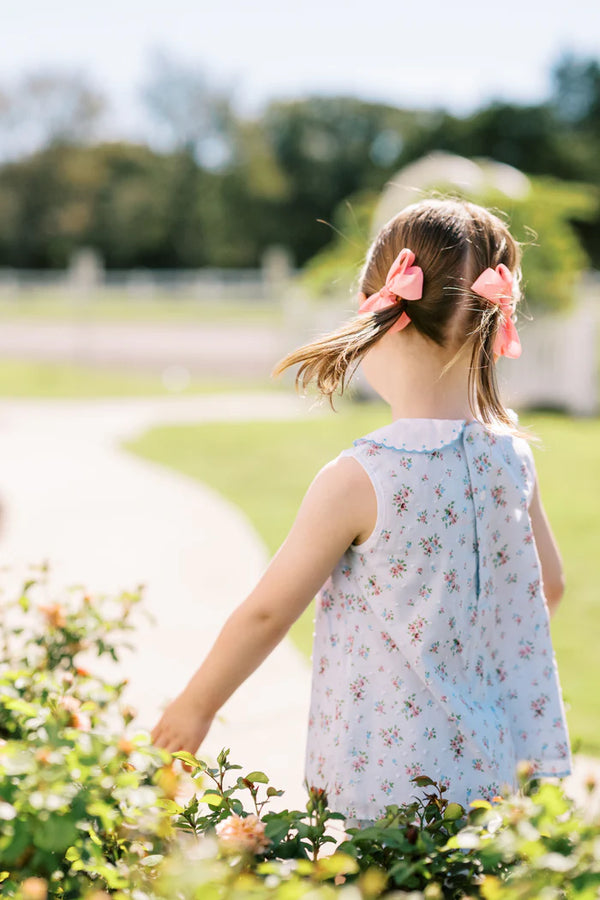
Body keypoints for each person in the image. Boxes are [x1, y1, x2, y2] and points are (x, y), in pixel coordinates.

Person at [150, 197, 572, 824]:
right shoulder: (511, 458)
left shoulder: (362, 476)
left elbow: (268, 612)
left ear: (383, 316)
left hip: (391, 780)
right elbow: (550, 587)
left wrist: (195, 707)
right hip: (495, 772)